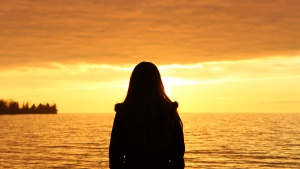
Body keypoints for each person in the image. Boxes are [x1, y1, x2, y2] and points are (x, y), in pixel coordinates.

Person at [109, 61, 185, 169]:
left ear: (133, 84)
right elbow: (177, 157)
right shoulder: (169, 112)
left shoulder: (124, 113)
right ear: (158, 83)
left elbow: (115, 156)